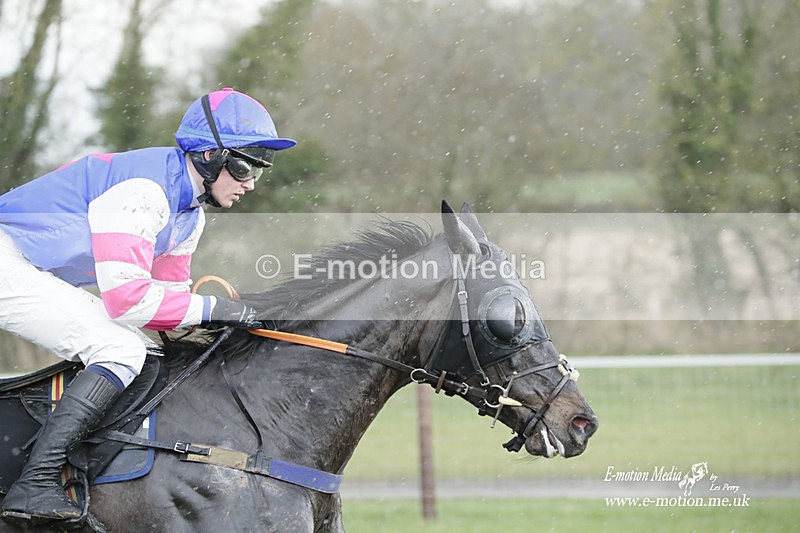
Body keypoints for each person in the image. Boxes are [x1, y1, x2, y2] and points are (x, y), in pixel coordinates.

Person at [0, 87, 295, 526]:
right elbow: (127, 300)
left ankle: (83, 470)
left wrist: (222, 323)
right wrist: (217, 307)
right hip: (8, 259)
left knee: (145, 349)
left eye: (259, 169)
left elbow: (168, 305)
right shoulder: (145, 190)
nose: (251, 182)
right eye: (245, 165)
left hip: (28, 266)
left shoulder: (189, 214)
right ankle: (35, 482)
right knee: (120, 349)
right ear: (210, 155)